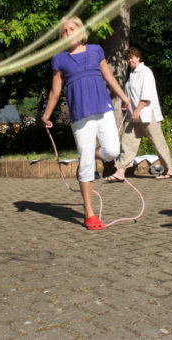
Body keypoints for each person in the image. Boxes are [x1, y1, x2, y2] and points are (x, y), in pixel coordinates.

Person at [40, 17, 130, 230]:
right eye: (63, 31)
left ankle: (92, 156)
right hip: (80, 116)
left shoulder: (96, 50)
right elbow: (55, 91)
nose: (68, 32)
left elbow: (109, 77)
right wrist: (46, 115)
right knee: (87, 165)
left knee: (112, 150)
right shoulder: (59, 59)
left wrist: (124, 98)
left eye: (72, 28)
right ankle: (89, 213)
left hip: (104, 110)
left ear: (81, 31)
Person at [107, 47, 172, 182]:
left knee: (157, 141)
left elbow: (146, 95)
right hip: (133, 116)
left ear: (138, 57)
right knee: (127, 142)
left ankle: (169, 169)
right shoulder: (132, 74)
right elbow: (131, 95)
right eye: (127, 58)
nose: (129, 60)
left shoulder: (146, 72)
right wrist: (126, 104)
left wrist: (138, 110)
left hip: (147, 114)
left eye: (132, 57)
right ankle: (120, 171)